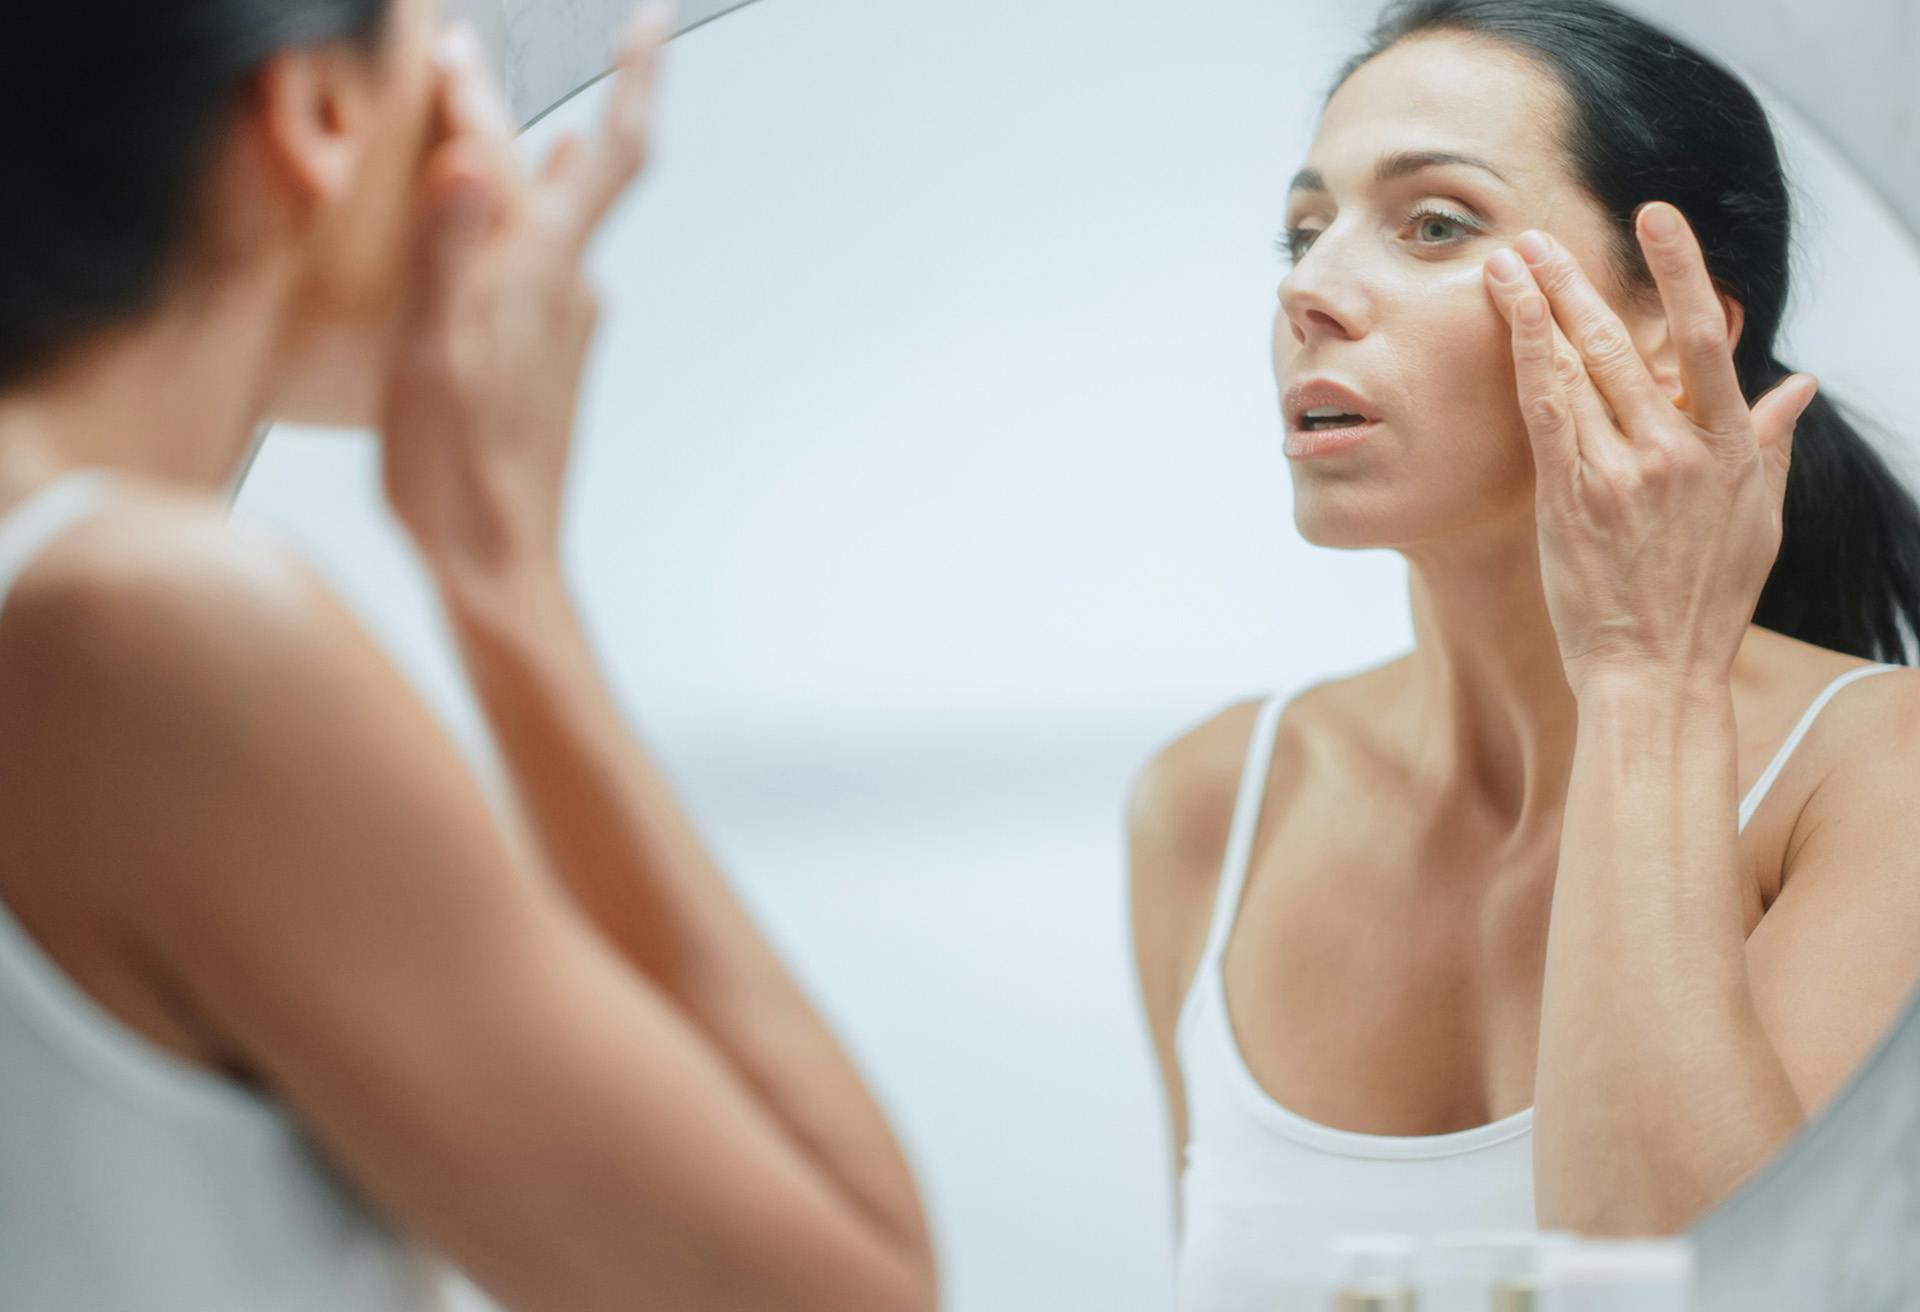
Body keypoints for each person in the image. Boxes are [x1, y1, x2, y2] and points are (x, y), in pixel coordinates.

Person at [0, 2, 937, 1309]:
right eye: (448, 51)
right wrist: (506, 578)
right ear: (318, 117)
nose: (494, 133)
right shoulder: (140, 628)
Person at [1126, 0, 1920, 1305]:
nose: (1308, 289)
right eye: (1304, 228)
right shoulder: (1212, 806)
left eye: (1435, 223)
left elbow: (1684, 1284)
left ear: (1674, 332)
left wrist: (1642, 681)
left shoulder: (1880, 772)